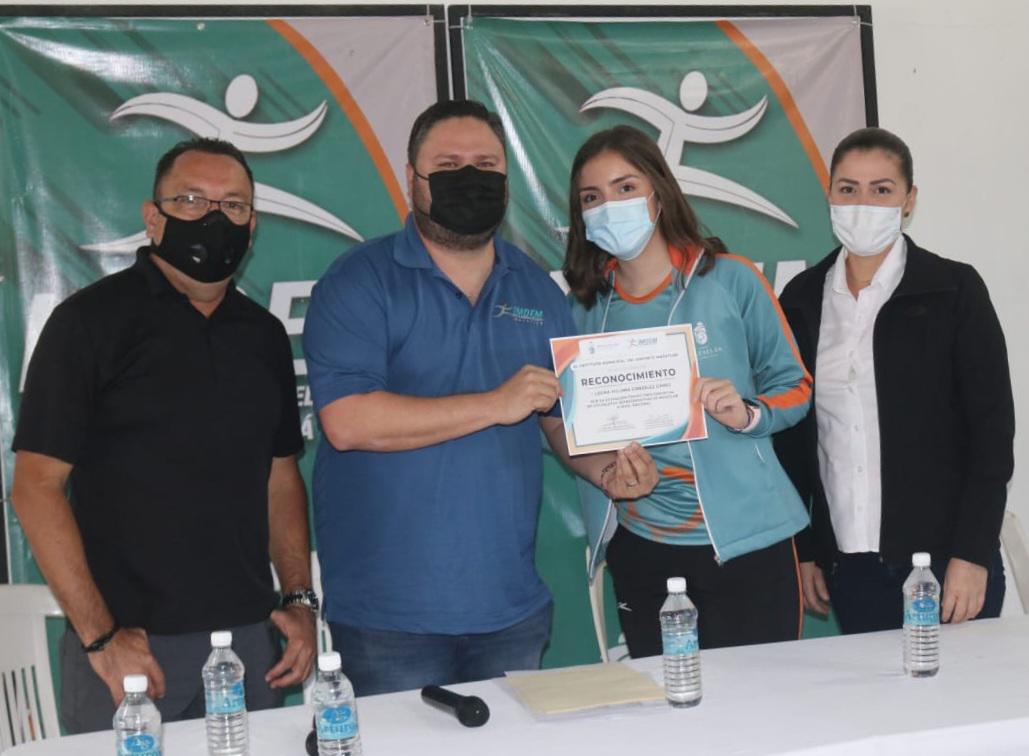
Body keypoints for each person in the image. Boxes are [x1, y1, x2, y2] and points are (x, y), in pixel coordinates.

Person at [303, 100, 654, 696]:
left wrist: (606, 472)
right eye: (448, 165)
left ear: (507, 180)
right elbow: (348, 421)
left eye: (486, 165)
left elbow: (556, 420)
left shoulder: (537, 291)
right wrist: (494, 403)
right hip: (388, 619)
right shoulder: (359, 281)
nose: (469, 177)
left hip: (511, 610)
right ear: (411, 177)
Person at [11, 138, 317, 733]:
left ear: (252, 225)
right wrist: (102, 639)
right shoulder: (87, 323)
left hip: (248, 645)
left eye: (233, 206)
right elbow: (35, 487)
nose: (213, 217)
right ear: (153, 218)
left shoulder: (263, 336)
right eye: (192, 200)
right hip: (133, 653)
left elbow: (280, 477)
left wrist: (299, 600)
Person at [563, 125, 813, 656]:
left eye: (625, 188)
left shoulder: (731, 280)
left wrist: (747, 413)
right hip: (643, 545)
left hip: (747, 542)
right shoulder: (584, 308)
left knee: (764, 703)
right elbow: (570, 424)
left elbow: (795, 386)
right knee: (665, 702)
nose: (610, 206)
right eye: (592, 198)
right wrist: (608, 468)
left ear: (658, 192)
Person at [775, 127, 1013, 634]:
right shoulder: (800, 299)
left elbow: (992, 435)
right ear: (829, 196)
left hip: (946, 563)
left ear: (909, 200)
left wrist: (972, 553)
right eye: (848, 189)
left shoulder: (954, 290)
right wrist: (806, 548)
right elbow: (794, 439)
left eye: (881, 189)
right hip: (849, 565)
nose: (863, 203)